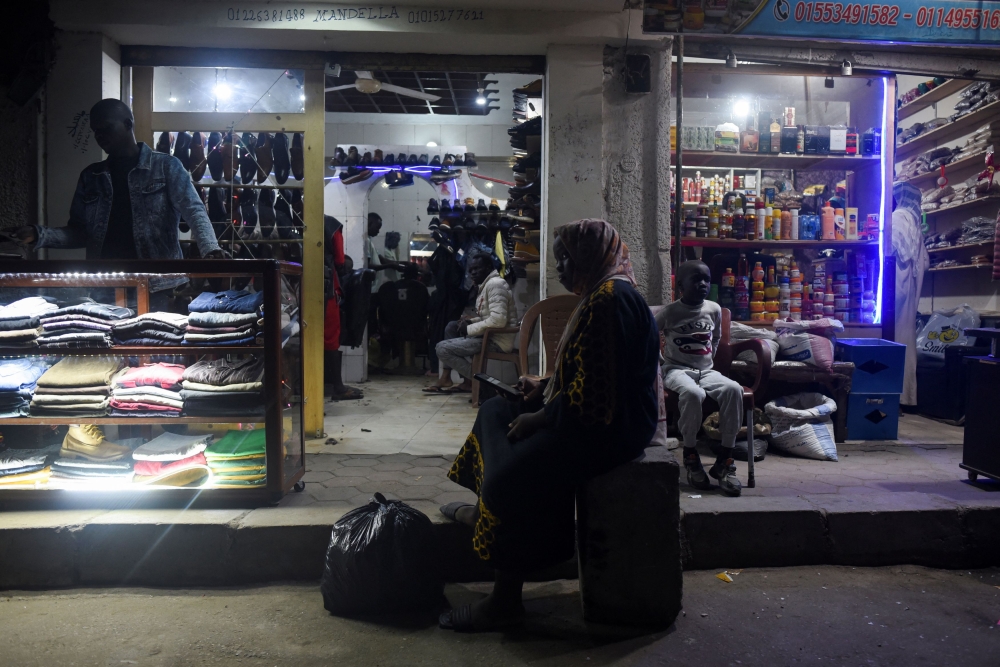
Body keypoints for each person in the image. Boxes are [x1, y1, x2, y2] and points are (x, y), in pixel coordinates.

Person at [438, 219, 659, 632]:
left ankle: (504, 600)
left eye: (565, 259)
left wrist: (540, 416)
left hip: (611, 430)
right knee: (493, 412)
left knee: (511, 477)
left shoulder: (609, 301)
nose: (559, 268)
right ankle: (484, 512)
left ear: (590, 258)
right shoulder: (602, 292)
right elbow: (590, 373)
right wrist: (543, 386)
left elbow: (596, 401)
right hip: (595, 414)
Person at [12, 99, 226, 312]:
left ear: (127, 124)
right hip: (104, 284)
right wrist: (39, 235)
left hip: (156, 285)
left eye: (105, 128)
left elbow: (193, 209)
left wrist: (211, 250)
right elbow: (80, 232)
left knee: (154, 342)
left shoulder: (165, 166)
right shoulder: (91, 176)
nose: (99, 136)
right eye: (95, 131)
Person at [655, 260, 743, 497]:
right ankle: (691, 454)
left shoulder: (713, 309)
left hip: (707, 371)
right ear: (681, 285)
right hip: (676, 370)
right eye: (696, 279)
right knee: (694, 394)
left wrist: (709, 359)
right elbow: (650, 335)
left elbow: (715, 338)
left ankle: (725, 459)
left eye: (706, 279)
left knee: (734, 389)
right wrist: (662, 362)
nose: (703, 284)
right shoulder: (670, 312)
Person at [423, 253, 516, 394]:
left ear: (488, 268)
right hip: (489, 336)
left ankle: (482, 384)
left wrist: (469, 328)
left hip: (496, 341)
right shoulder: (487, 285)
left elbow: (498, 321)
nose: (472, 273)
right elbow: (491, 317)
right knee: (452, 327)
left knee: (442, 349)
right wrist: (470, 321)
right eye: (470, 269)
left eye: (477, 269)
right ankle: (455, 379)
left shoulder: (495, 285)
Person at [892, 182, 929, 407]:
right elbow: (924, 261)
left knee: (892, 340)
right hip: (910, 291)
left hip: (895, 290)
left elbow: (888, 250)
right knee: (906, 341)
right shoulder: (913, 222)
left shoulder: (898, 219)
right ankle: (905, 396)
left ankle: (891, 394)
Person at [324, 215, 363, 401]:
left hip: (295, 285)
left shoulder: (293, 221)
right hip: (325, 288)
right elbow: (340, 260)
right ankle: (337, 387)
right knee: (331, 337)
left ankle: (323, 384)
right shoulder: (331, 225)